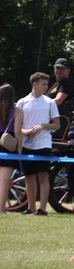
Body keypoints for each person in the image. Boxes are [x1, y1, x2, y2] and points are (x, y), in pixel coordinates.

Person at [14, 72, 61, 215]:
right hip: (27, 144)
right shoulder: (22, 102)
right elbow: (17, 126)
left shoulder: (50, 102)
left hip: (44, 144)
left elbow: (57, 125)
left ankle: (42, 209)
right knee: (29, 176)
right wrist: (25, 131)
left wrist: (43, 126)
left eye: (47, 84)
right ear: (35, 84)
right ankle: (31, 207)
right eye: (44, 84)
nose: (46, 87)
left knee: (43, 175)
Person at [0, 84, 16, 214]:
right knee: (4, 180)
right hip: (7, 143)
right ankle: (1, 209)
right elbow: (18, 131)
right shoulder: (15, 110)